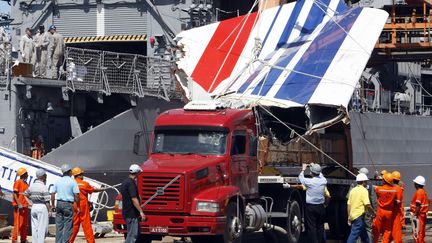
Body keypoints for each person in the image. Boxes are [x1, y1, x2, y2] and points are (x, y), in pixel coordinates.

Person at [70, 167, 105, 243]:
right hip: (83, 205)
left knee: (75, 225)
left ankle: (69, 241)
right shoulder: (84, 184)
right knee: (86, 225)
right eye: (82, 174)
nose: (83, 175)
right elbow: (93, 190)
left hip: (74, 205)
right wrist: (101, 190)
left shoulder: (71, 183)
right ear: (78, 175)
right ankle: (90, 241)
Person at [51, 164, 80, 243]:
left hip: (59, 204)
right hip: (68, 204)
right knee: (68, 226)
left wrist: (53, 205)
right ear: (69, 172)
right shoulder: (72, 181)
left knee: (59, 225)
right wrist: (78, 206)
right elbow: (76, 195)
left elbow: (53, 194)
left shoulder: (58, 181)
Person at [346, 167, 377, 243]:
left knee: (363, 234)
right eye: (366, 181)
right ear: (364, 181)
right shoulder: (365, 189)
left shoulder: (353, 189)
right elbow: (371, 202)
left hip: (355, 214)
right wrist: (374, 212)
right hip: (361, 215)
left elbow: (348, 203)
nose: (366, 182)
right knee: (363, 231)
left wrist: (349, 216)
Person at [298, 163, 327, 243]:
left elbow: (301, 178)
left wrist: (303, 169)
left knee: (312, 227)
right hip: (321, 207)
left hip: (311, 207)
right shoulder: (324, 181)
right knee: (320, 226)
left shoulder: (309, 182)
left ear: (311, 173)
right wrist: (315, 166)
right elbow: (321, 175)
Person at [372, 173, 402, 243]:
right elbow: (397, 201)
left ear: (384, 181)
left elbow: (374, 187)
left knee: (377, 229)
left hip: (380, 211)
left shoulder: (379, 189)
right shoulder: (395, 190)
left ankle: (375, 241)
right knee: (387, 230)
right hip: (389, 212)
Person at [24, 169, 51, 243]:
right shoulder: (43, 187)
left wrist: (30, 201)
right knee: (42, 228)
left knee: (34, 227)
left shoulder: (32, 186)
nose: (46, 177)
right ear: (43, 176)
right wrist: (50, 210)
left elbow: (25, 194)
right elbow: (47, 201)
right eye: (45, 175)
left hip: (34, 206)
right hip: (42, 207)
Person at [120, 164, 146, 243]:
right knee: (132, 236)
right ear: (137, 172)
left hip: (127, 212)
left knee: (135, 233)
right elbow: (134, 199)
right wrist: (141, 212)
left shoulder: (125, 182)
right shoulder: (131, 183)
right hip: (131, 214)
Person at [12, 168, 29, 243]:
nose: (27, 174)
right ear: (23, 174)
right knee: (18, 224)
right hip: (19, 207)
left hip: (25, 206)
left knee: (24, 225)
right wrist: (18, 203)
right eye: (26, 173)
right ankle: (14, 239)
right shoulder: (18, 182)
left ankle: (23, 239)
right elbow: (15, 194)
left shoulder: (26, 183)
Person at [410, 175, 428, 243]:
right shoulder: (423, 191)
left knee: (418, 233)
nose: (414, 184)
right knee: (421, 232)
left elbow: (418, 205)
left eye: (415, 183)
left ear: (417, 184)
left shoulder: (419, 192)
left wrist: (415, 215)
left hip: (419, 215)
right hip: (422, 215)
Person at [391, 170, 404, 241]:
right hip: (396, 211)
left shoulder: (393, 188)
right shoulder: (399, 188)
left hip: (393, 211)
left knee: (393, 228)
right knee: (397, 228)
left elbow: (397, 201)